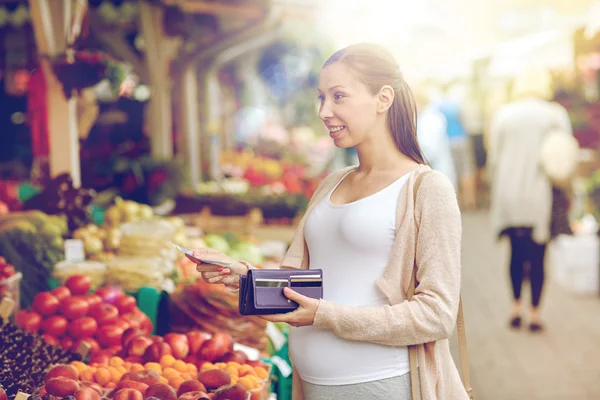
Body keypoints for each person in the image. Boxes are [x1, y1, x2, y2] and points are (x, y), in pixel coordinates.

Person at [189, 44, 468, 400]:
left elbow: (438, 314)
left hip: (379, 385)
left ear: (383, 99)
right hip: (314, 385)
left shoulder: (427, 189)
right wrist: (244, 276)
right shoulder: (331, 183)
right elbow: (306, 285)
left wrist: (327, 316)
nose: (324, 111)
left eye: (339, 96)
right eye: (321, 97)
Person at [488, 67, 573, 333]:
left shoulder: (504, 114)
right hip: (540, 194)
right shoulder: (554, 114)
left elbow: (493, 159)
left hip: (508, 192)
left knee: (515, 252)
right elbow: (565, 155)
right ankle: (535, 314)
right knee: (538, 255)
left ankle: (515, 307)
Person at [414, 89, 457, 188]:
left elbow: (429, 150)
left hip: (437, 171)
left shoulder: (429, 120)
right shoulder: (426, 117)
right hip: (437, 171)